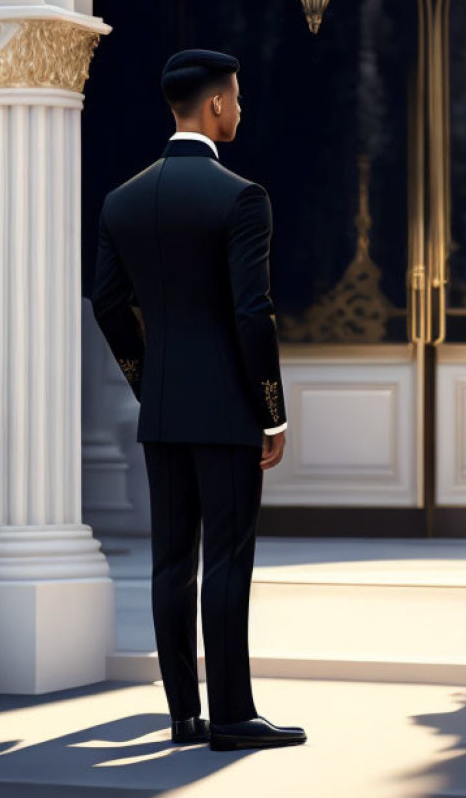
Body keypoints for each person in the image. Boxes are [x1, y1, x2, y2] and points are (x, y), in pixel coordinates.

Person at [90, 49, 306, 752]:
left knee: (170, 562)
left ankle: (184, 714)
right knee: (227, 560)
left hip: (163, 410)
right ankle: (234, 716)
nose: (240, 110)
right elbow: (254, 314)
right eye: (236, 99)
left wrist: (144, 377)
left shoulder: (122, 200)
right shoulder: (241, 197)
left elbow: (110, 306)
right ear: (214, 106)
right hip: (225, 413)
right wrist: (270, 409)